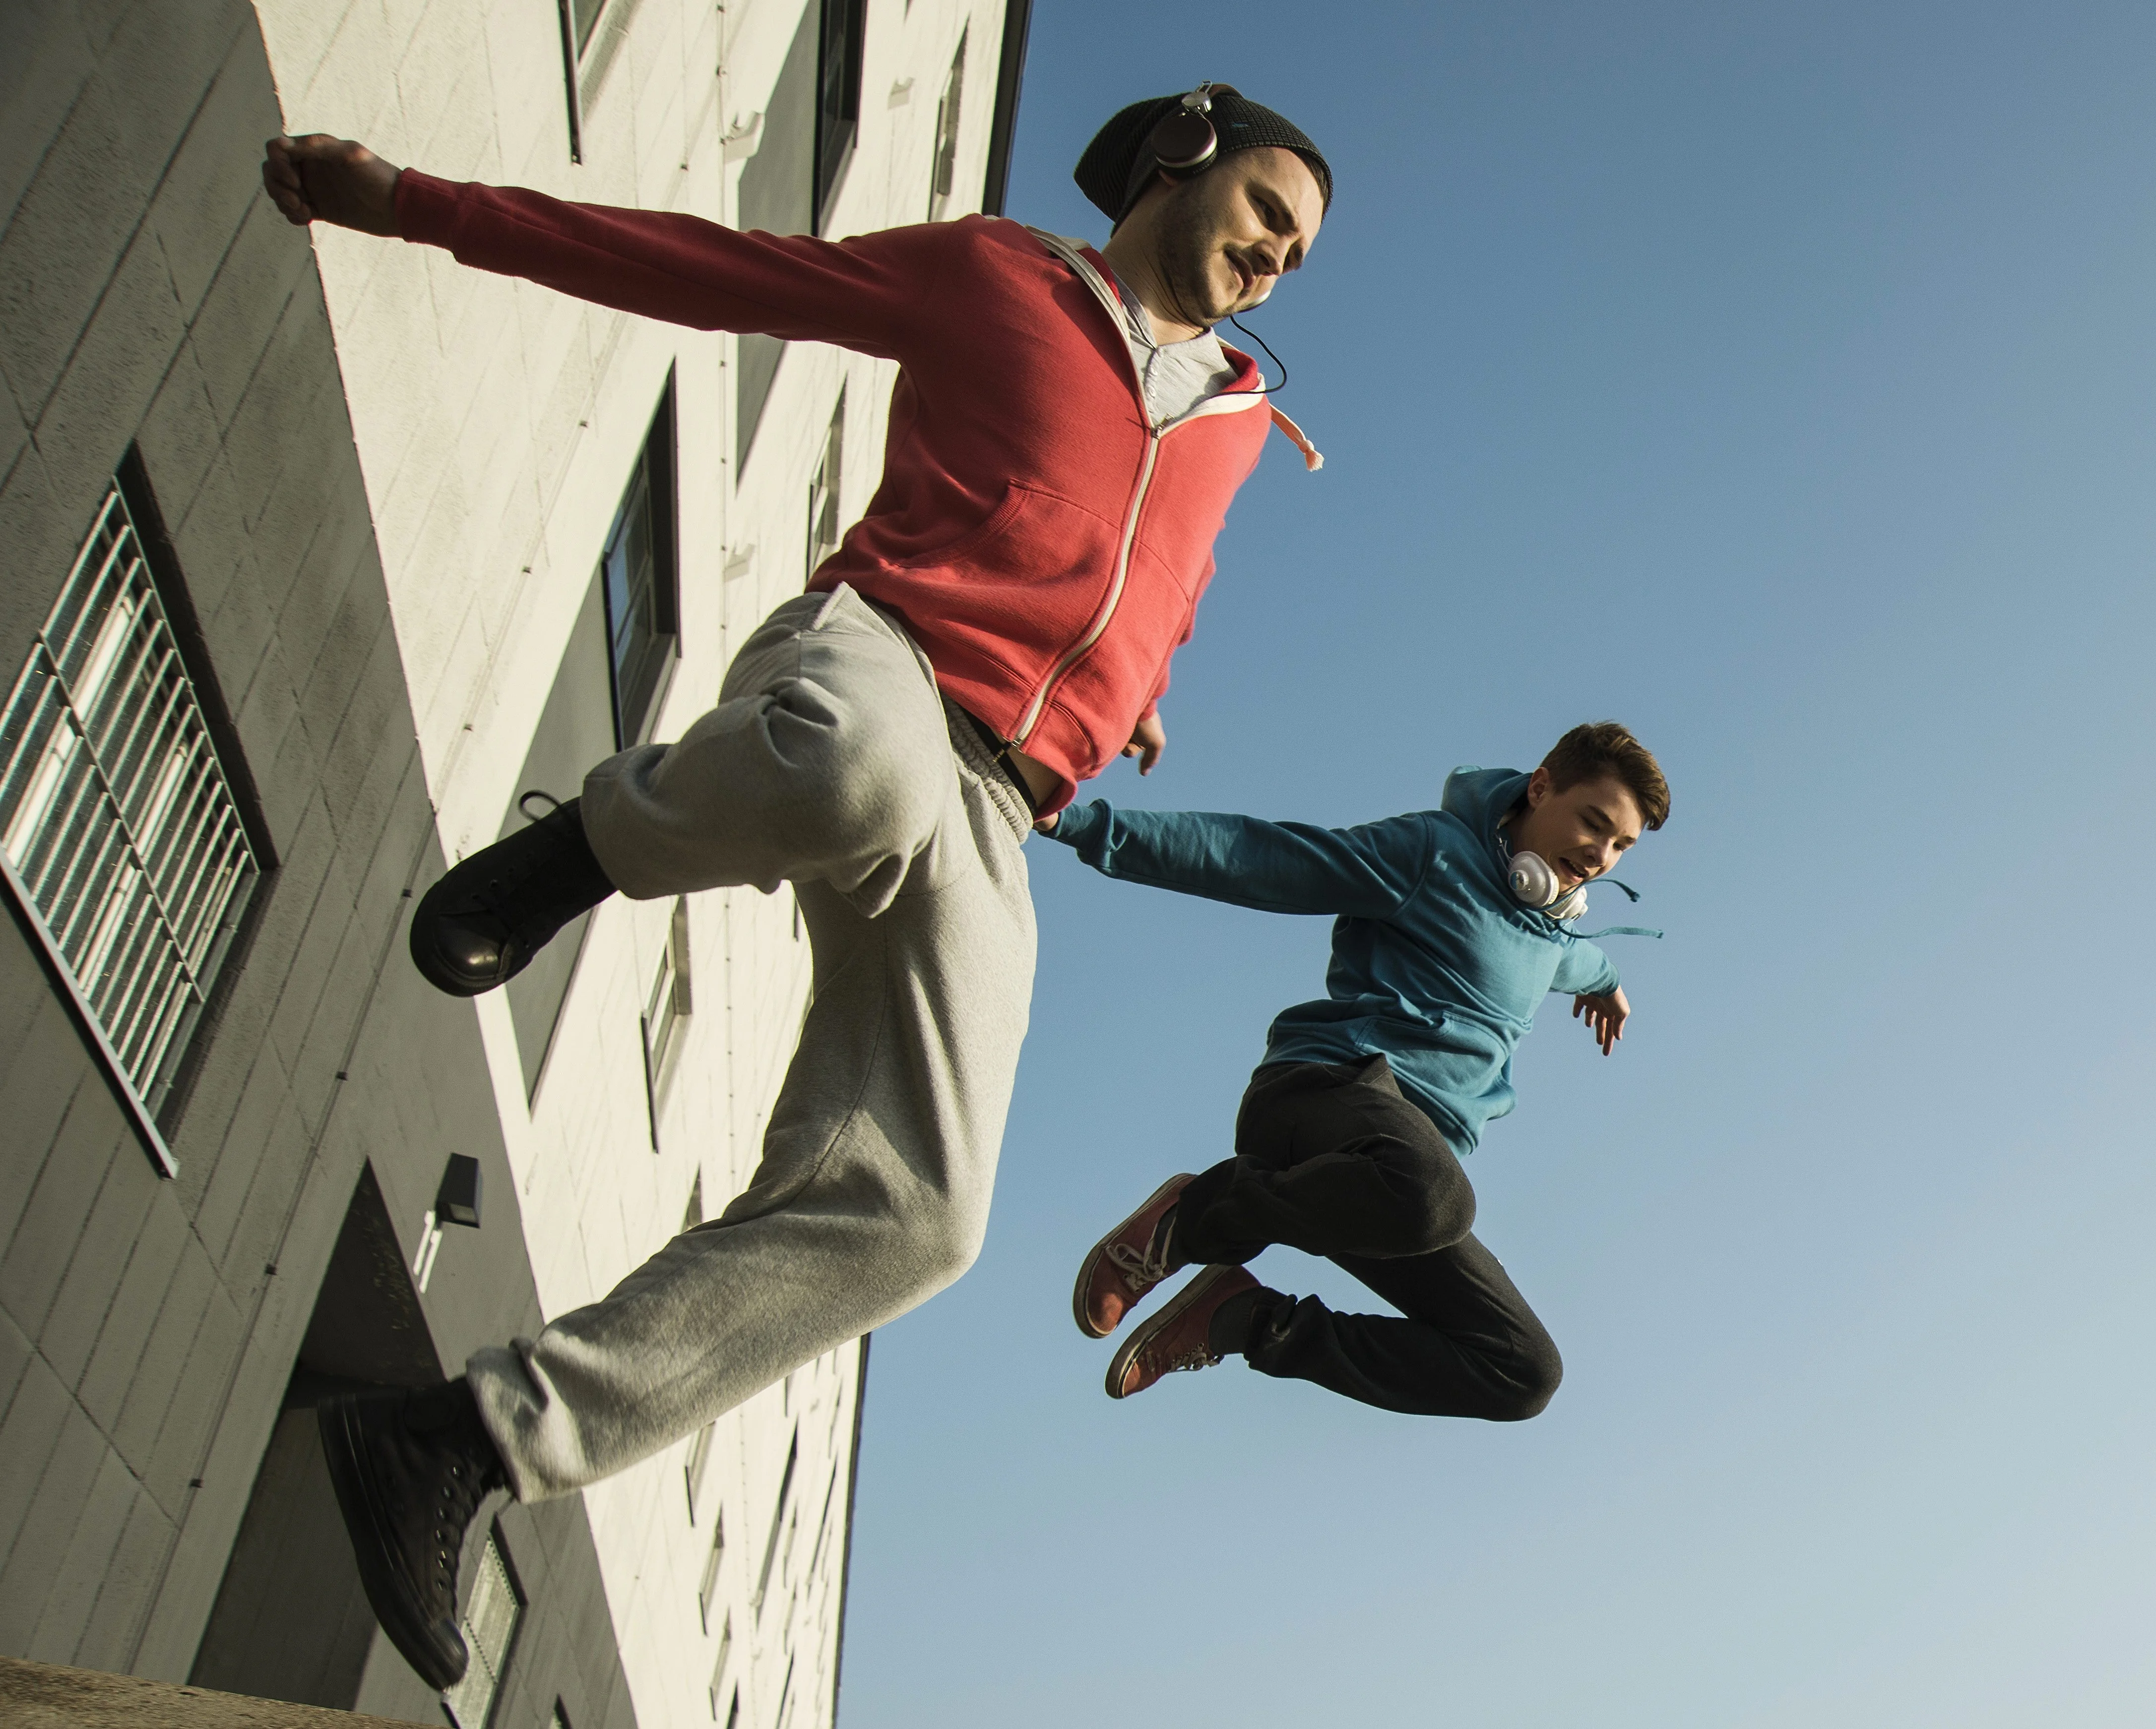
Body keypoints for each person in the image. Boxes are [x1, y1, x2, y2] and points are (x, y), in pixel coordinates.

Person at [257, 83, 1333, 1690]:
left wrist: (1133, 686)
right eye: (1265, 208)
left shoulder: (1242, 420)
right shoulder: (996, 278)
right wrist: (408, 201)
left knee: (920, 1211)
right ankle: (585, 847)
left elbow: (1154, 574)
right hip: (879, 662)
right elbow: (707, 267)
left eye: (1299, 251)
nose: (1274, 256)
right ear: (1177, 156)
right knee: (850, 768)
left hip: (1003, 801)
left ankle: (466, 1439)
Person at [1048, 722, 1669, 1420]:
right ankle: (1193, 1219)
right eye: (1595, 823)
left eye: (1622, 845)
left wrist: (1607, 979)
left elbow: (1581, 960)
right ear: (1541, 785)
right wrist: (1081, 825)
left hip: (1389, 1190)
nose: (1603, 855)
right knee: (1440, 1193)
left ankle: (1241, 1317)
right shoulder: (1433, 853)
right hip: (1323, 1093)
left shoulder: (1551, 935)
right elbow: (1268, 858)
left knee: (1522, 1369)